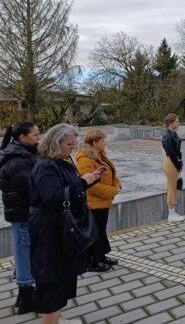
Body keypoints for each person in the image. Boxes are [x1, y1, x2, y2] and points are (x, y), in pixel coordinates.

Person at [29, 123, 102, 324]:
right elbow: (53, 197)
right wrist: (83, 182)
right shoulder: (45, 166)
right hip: (49, 232)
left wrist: (90, 180)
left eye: (74, 143)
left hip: (61, 230)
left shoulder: (61, 161)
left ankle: (57, 319)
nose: (73, 147)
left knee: (62, 279)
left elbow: (69, 188)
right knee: (53, 282)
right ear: (56, 143)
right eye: (69, 144)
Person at [0, 122, 40, 314]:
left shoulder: (22, 153)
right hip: (23, 213)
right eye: (35, 135)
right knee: (24, 251)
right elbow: (31, 188)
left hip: (23, 212)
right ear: (22, 137)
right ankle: (26, 295)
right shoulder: (17, 160)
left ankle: (25, 290)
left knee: (24, 249)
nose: (39, 138)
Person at [75, 129, 122, 273]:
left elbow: (112, 173)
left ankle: (101, 256)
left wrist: (117, 184)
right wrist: (112, 191)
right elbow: (90, 185)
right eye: (102, 140)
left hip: (103, 202)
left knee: (100, 231)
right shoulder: (85, 160)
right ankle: (92, 262)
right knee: (93, 233)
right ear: (94, 143)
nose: (105, 142)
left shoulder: (101, 156)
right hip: (93, 204)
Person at [161, 113, 185, 222]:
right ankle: (171, 214)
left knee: (175, 187)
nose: (178, 123)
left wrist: (180, 163)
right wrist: (178, 165)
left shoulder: (172, 133)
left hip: (174, 162)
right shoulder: (167, 135)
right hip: (171, 163)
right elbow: (171, 153)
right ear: (170, 123)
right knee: (172, 188)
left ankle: (173, 212)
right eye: (176, 121)